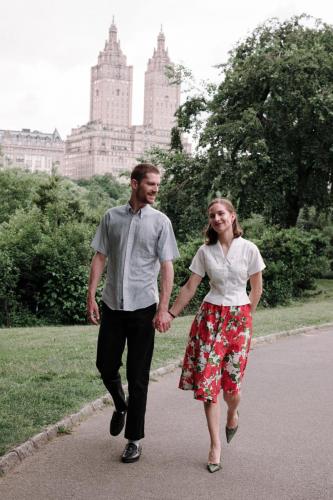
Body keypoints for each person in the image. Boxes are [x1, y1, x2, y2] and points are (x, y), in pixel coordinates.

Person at [87, 163, 179, 464]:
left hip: (144, 308)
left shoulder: (161, 222)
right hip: (113, 305)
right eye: (150, 184)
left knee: (138, 377)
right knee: (105, 365)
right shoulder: (111, 217)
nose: (155, 189)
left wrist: (164, 308)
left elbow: (167, 267)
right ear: (134, 183)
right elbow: (100, 257)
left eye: (157, 185)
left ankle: (134, 440)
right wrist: (91, 295)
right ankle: (119, 404)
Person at [166, 198, 265, 473]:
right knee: (209, 385)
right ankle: (214, 445)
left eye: (221, 213)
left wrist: (246, 318)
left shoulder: (249, 249)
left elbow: (256, 289)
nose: (216, 218)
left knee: (232, 389)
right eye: (212, 215)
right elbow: (189, 287)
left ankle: (232, 414)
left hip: (239, 321)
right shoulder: (205, 251)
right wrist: (171, 313)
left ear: (232, 216)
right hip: (209, 319)